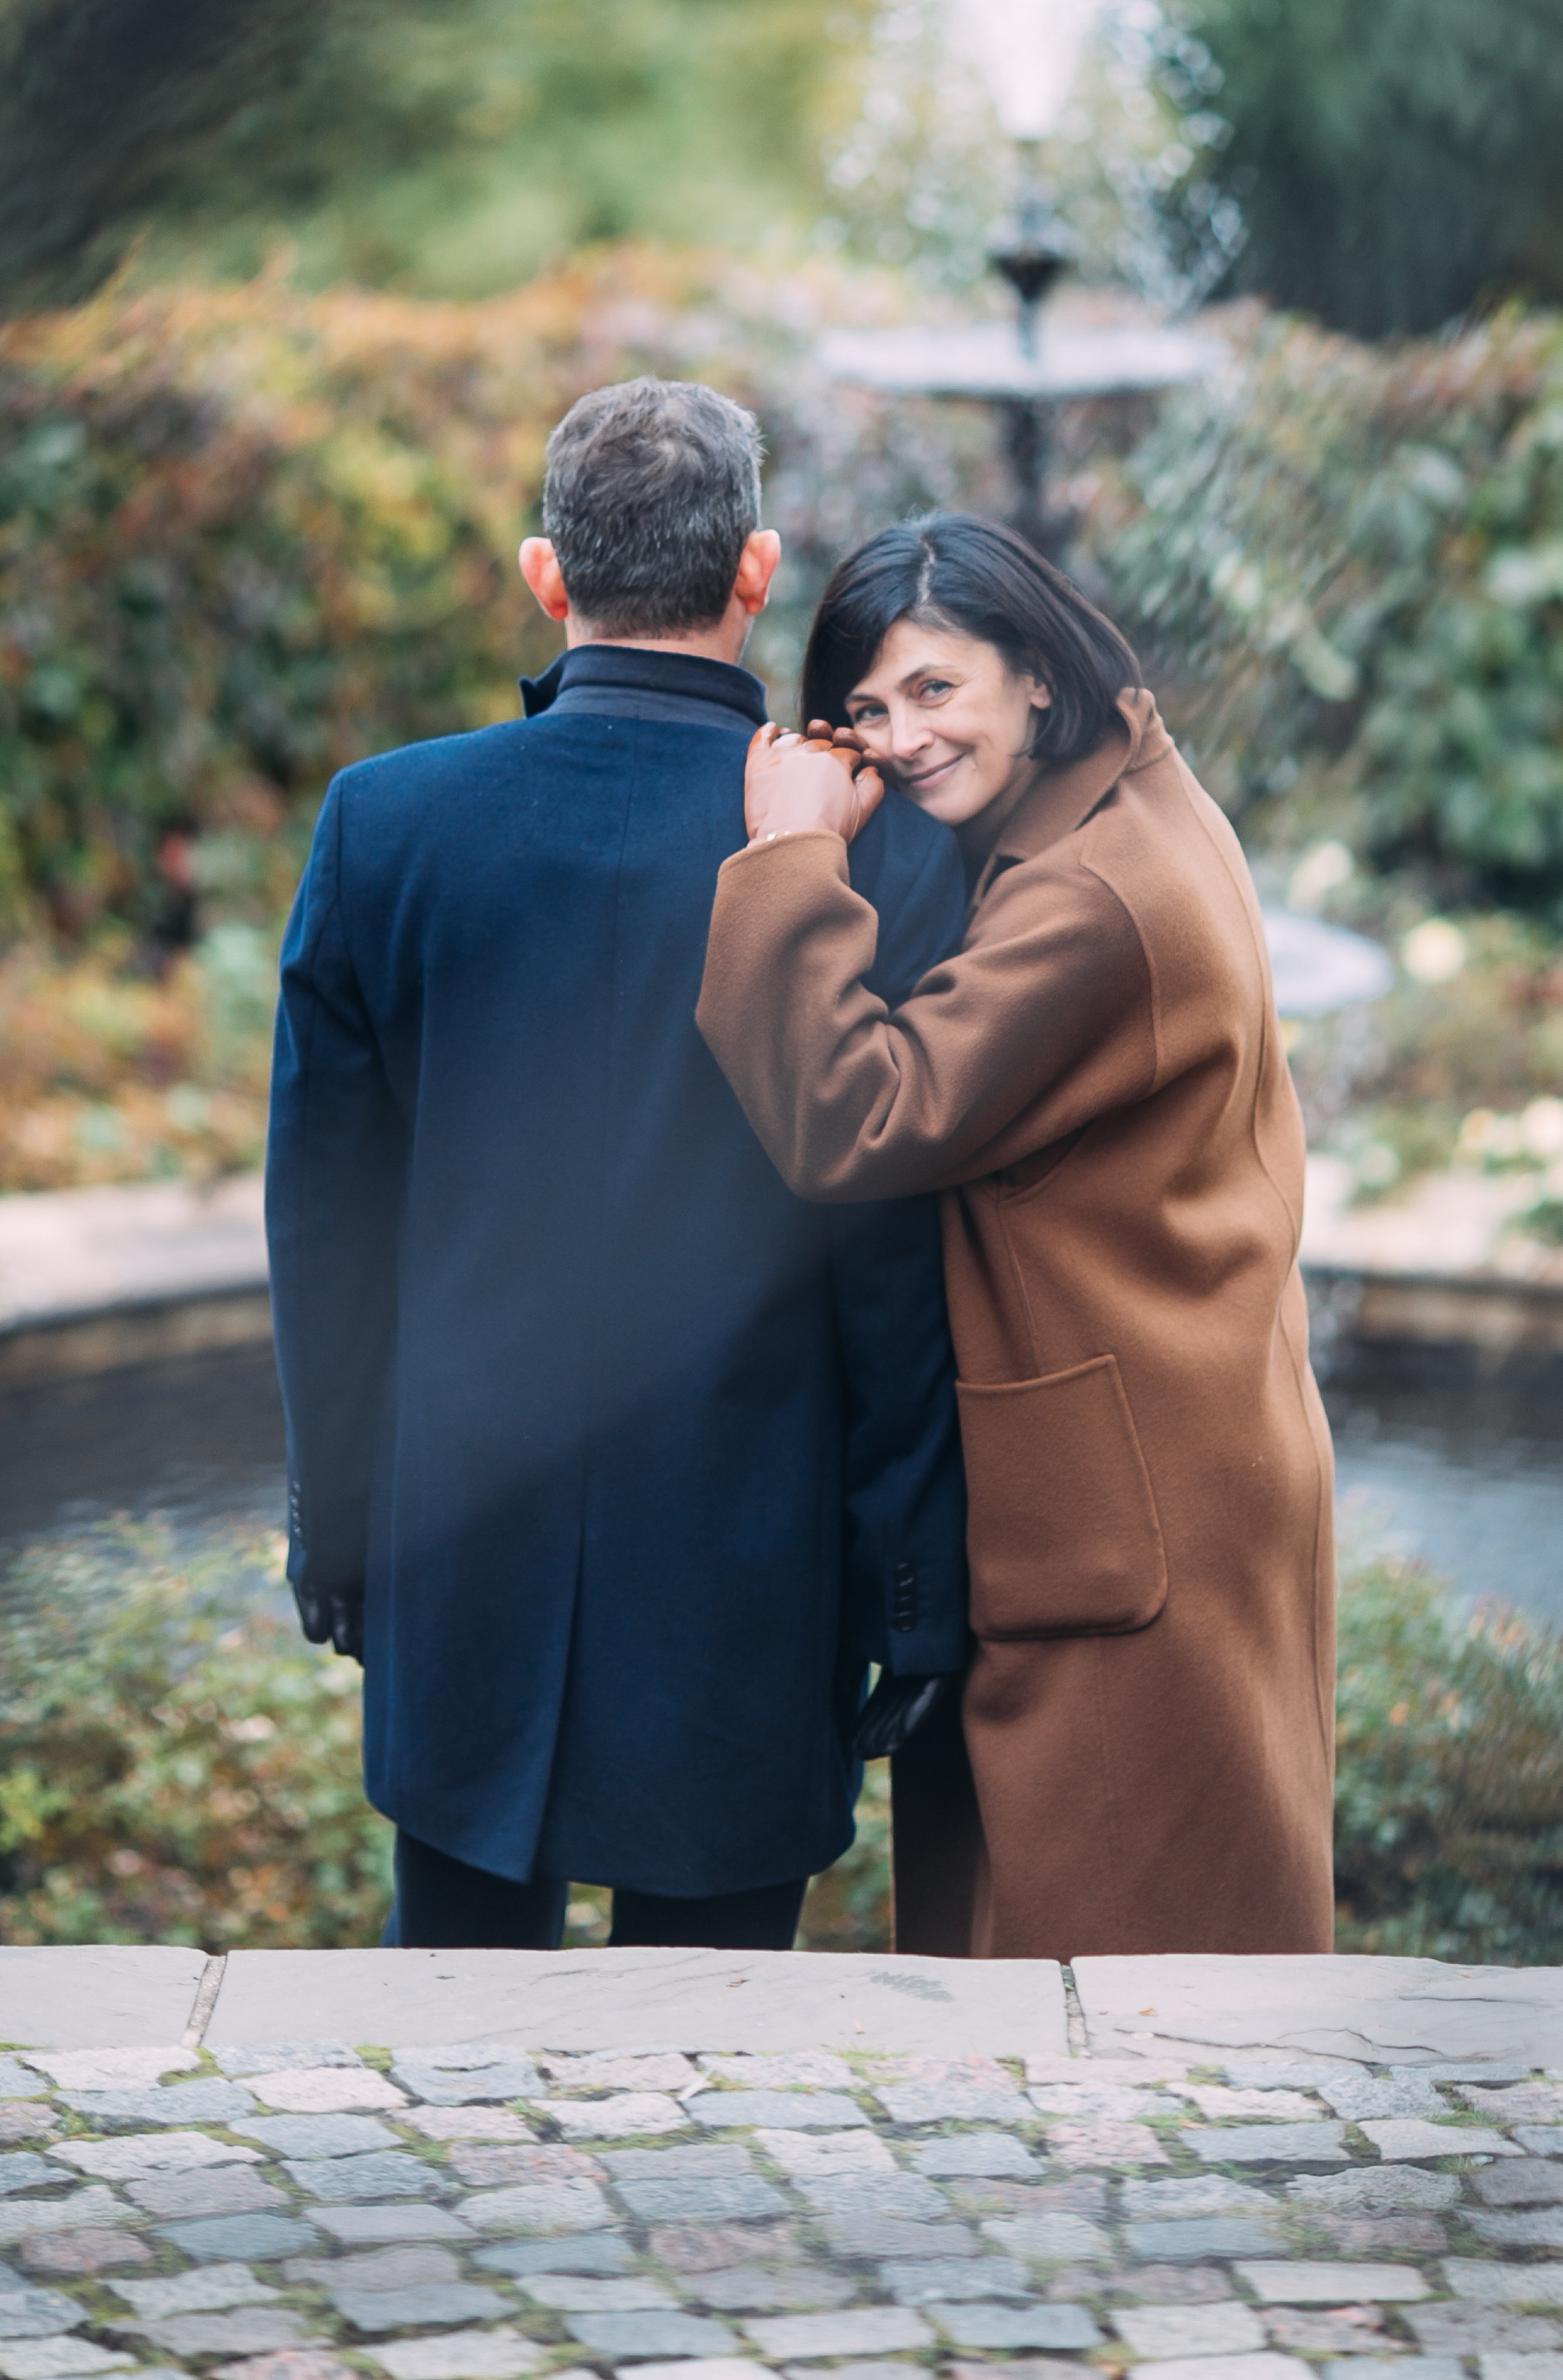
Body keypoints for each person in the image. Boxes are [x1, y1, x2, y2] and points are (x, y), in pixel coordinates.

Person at [266, 379, 969, 1952]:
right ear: (757, 572)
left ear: (546, 572)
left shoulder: (383, 825)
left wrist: (337, 1517)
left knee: (439, 2081)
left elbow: (325, 1224)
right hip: (749, 1570)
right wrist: (910, 1580)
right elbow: (891, 1246)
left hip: (460, 1542)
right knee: (712, 2087)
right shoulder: (860, 843)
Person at [695, 511, 1334, 1962]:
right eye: (864, 708)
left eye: (936, 690)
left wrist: (791, 854)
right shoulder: (1127, 804)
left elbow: (855, 1118)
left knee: (1114, 1969)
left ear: (1035, 678)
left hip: (1135, 1492)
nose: (900, 738)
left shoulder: (1091, 897)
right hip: (1180, 1438)